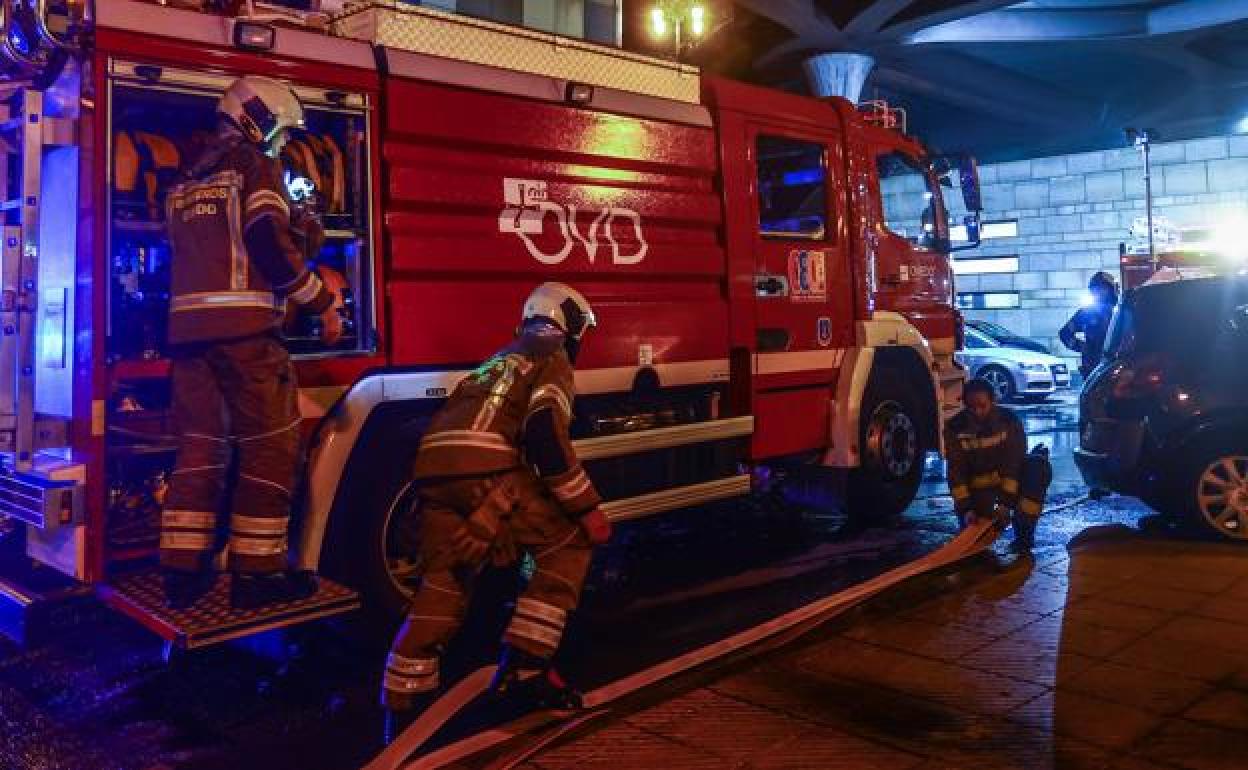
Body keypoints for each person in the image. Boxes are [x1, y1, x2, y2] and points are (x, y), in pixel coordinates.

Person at [381, 282, 613, 743]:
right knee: (570, 543)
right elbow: (544, 432)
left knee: (445, 578)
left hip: (432, 472)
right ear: (568, 324)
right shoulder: (552, 356)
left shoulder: (497, 360)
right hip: (485, 467)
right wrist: (586, 509)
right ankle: (525, 672)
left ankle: (404, 703)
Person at [160, 75, 343, 610]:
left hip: (188, 340)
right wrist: (321, 301)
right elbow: (266, 240)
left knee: (201, 449)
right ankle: (256, 577)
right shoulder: (253, 167)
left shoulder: (186, 179)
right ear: (256, 120)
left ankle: (182, 573)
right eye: (280, 132)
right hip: (246, 337)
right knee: (270, 448)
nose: (281, 144)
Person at [944, 378, 1050, 554]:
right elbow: (956, 472)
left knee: (1037, 467)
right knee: (973, 545)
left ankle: (1023, 534)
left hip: (1007, 489)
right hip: (978, 496)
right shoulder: (955, 427)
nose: (977, 411)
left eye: (982, 406)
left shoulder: (1008, 421)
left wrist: (1005, 504)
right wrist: (965, 508)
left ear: (993, 401)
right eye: (971, 407)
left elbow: (1013, 465)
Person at [1059, 271, 1119, 377]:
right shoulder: (1087, 313)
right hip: (1093, 369)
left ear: (1111, 290)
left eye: (1102, 289)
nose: (1099, 293)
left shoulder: (1121, 312)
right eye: (1096, 289)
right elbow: (1065, 334)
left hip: (1117, 368)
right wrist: (1083, 347)